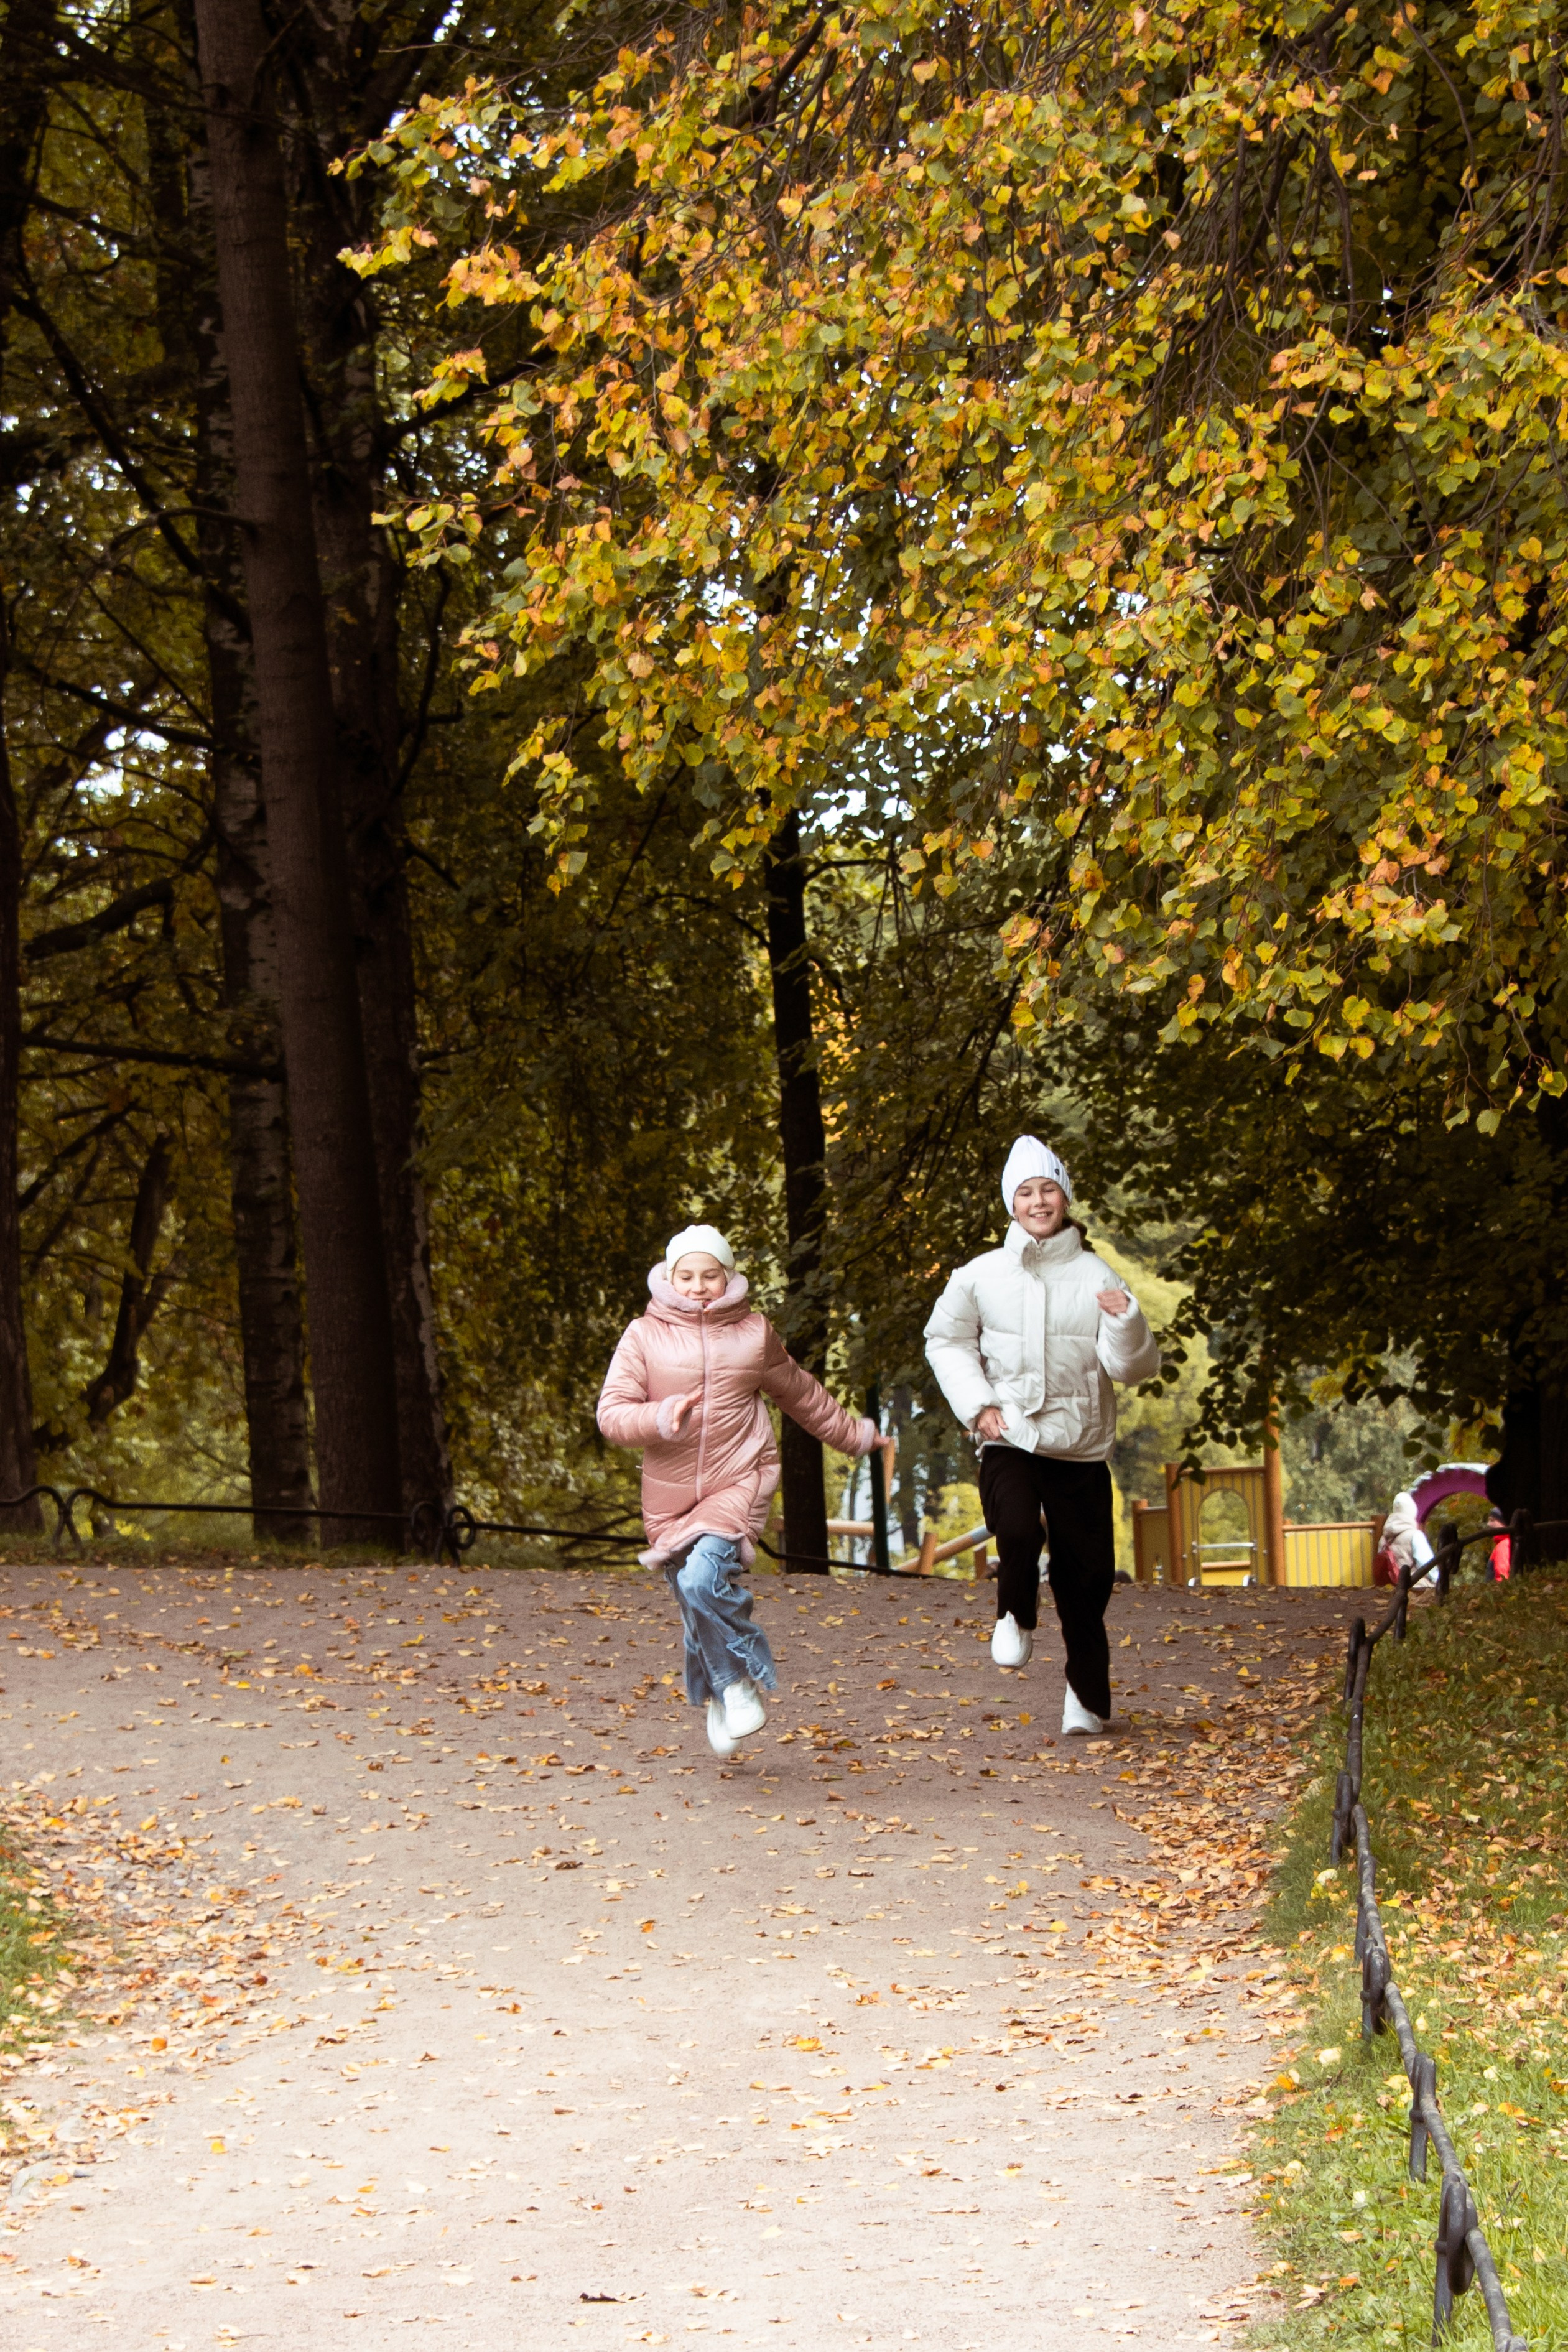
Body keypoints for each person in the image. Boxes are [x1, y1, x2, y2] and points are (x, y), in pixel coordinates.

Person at [596, 1224, 881, 1758]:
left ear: (728, 1276)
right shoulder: (643, 1335)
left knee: (704, 1579)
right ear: (669, 1277)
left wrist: (854, 1436)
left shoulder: (753, 1333)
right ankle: (719, 1694)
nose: (699, 1286)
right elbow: (611, 1414)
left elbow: (802, 1394)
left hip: (738, 1478)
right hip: (668, 1495)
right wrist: (658, 1416)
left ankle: (738, 1681)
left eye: (710, 1275)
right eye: (687, 1275)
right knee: (692, 1599)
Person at [923, 1138, 1161, 1736]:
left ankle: (1086, 1699)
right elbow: (944, 1340)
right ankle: (1014, 1611)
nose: (1038, 1200)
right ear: (1010, 1202)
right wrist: (978, 1405)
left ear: (1064, 1197)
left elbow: (1131, 1369)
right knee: (1017, 1528)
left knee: (1087, 1578)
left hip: (1079, 1444)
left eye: (1047, 1189)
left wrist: (1126, 1321)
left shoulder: (1095, 1274)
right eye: (1025, 1191)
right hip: (1010, 1433)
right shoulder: (979, 1274)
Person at [1381, 1490, 1437, 1587]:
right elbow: (1427, 1565)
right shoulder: (1415, 1535)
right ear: (1412, 1512)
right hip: (1413, 1585)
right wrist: (1438, 1580)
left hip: (1389, 1586)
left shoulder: (1384, 1538)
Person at [1484, 1505, 1512, 1583]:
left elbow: (1502, 1578)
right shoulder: (1506, 1543)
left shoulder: (1504, 1545)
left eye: (1492, 1520)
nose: (1489, 1524)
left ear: (1504, 1523)